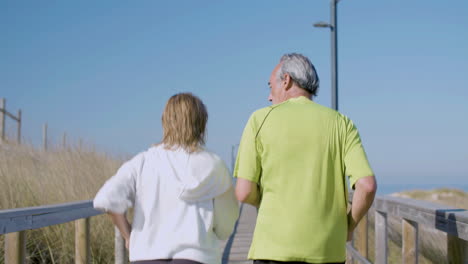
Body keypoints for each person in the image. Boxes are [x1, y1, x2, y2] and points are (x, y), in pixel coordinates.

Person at [234, 53, 377, 264]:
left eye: (270, 85)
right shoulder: (341, 123)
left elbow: (244, 192)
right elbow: (367, 185)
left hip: (273, 249)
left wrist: (267, 200)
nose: (269, 96)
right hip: (327, 251)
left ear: (286, 80)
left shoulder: (259, 120)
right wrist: (349, 225)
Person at [94, 93, 239, 264]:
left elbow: (106, 199)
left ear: (165, 121)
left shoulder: (143, 162)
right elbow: (226, 225)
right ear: (201, 124)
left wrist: (129, 236)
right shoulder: (214, 165)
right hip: (196, 258)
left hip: (145, 257)